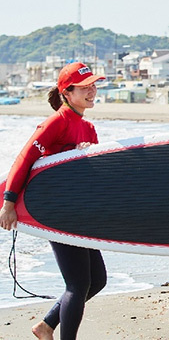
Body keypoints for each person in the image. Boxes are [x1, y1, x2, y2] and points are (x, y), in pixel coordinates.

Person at [0, 62, 108, 340]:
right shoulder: (55, 123)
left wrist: (88, 155)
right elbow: (24, 160)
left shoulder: (88, 128)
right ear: (67, 93)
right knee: (78, 283)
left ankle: (46, 326)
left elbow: (92, 176)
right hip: (57, 211)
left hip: (81, 212)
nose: (92, 91)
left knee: (97, 281)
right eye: (85, 87)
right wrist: (9, 203)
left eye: (93, 85)